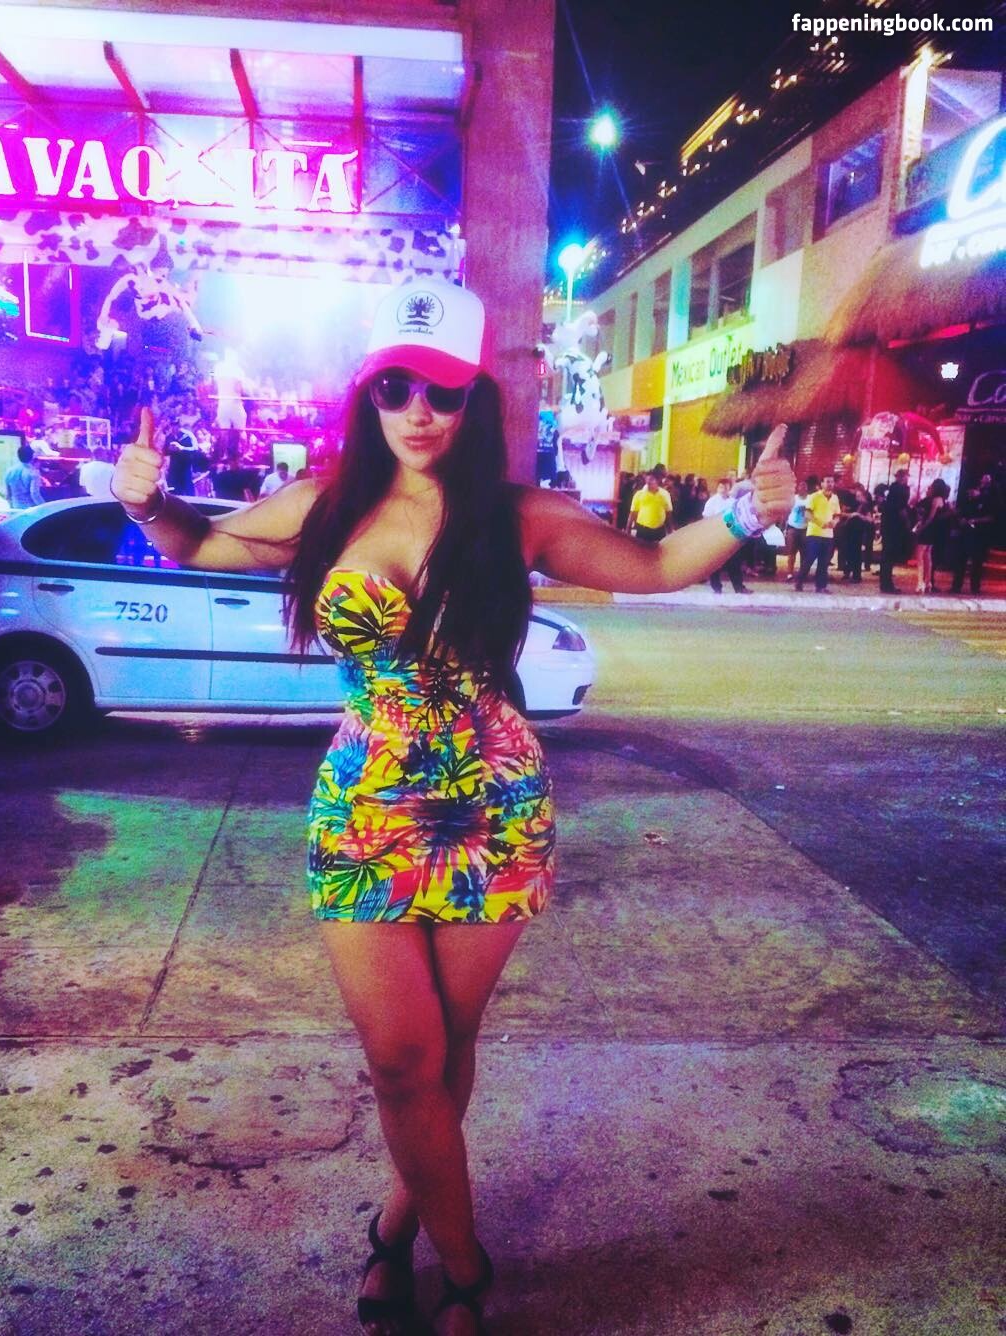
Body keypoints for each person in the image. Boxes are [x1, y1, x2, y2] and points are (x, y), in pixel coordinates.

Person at [109, 277, 795, 1336]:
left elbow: (660, 563)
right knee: (400, 1058)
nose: (419, 411)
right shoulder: (325, 503)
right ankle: (464, 1265)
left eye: (442, 389)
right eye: (396, 387)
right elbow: (198, 545)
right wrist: (146, 502)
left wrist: (749, 511)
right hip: (365, 805)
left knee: (447, 1045)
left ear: (475, 396)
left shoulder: (518, 517)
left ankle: (398, 1232)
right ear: (368, 395)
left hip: (493, 806)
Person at [702, 479, 750, 592]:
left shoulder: (734, 502)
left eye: (726, 487)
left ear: (729, 489)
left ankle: (738, 587)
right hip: (716, 534)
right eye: (721, 487)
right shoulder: (712, 501)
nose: (723, 490)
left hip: (731, 535)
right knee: (716, 562)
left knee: (734, 562)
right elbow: (706, 518)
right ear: (718, 488)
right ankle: (716, 587)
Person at [797, 474, 840, 592]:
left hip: (828, 534)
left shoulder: (835, 498)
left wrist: (834, 522)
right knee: (809, 558)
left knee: (824, 561)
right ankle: (799, 581)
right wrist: (820, 523)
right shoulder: (814, 497)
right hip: (814, 533)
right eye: (827, 482)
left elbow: (837, 515)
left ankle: (821, 586)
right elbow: (807, 513)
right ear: (822, 484)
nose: (830, 484)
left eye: (832, 482)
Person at [912, 479, 951, 594]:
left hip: (927, 530)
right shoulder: (941, 500)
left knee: (920, 557)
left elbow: (930, 517)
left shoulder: (935, 500)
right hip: (933, 531)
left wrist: (921, 528)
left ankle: (920, 583)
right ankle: (928, 582)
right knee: (928, 557)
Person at [879, 468, 912, 594]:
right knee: (889, 555)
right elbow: (901, 508)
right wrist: (907, 523)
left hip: (889, 525)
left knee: (887, 555)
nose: (905, 479)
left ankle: (885, 583)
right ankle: (887, 584)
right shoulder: (900, 490)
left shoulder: (893, 489)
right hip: (894, 526)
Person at [626, 472, 671, 543]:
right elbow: (633, 513)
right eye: (646, 479)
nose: (648, 482)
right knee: (641, 549)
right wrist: (628, 530)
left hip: (659, 530)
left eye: (651, 479)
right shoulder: (639, 494)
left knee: (659, 549)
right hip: (643, 530)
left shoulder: (665, 494)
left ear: (657, 480)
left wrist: (670, 531)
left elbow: (668, 512)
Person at [4, 443, 46, 510]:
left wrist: (11, 508)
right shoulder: (33, 472)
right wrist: (45, 507)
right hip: (31, 509)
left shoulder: (9, 471)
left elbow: (8, 495)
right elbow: (34, 494)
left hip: (15, 508)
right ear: (32, 456)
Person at [783, 479, 809, 580]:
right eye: (800, 487)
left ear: (807, 489)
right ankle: (789, 573)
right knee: (791, 552)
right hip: (792, 527)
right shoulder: (793, 499)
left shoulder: (810, 499)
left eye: (804, 487)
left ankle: (803, 574)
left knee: (804, 553)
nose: (802, 489)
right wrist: (785, 527)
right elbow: (787, 512)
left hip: (805, 528)